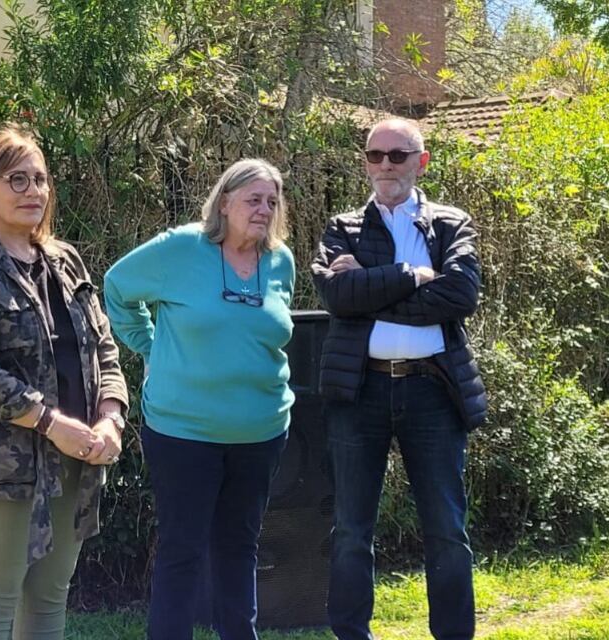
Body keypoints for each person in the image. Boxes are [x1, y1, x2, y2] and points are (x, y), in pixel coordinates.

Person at [0, 125, 129, 640]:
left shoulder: (64, 260)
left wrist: (111, 417)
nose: (33, 191)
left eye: (40, 179)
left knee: (48, 601)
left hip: (76, 456)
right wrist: (51, 423)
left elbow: (104, 348)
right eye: (16, 180)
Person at [104, 159, 295, 640]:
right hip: (183, 433)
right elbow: (117, 287)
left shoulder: (281, 261)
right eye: (253, 200)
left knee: (240, 548)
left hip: (260, 433)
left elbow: (268, 332)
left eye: (272, 202)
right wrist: (151, 347)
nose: (264, 210)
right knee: (182, 550)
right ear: (224, 202)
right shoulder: (181, 249)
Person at [311, 118, 487, 640]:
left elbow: (460, 296)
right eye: (375, 155)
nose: (384, 165)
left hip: (432, 390)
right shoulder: (343, 228)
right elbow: (338, 297)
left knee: (446, 529)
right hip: (359, 391)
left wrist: (369, 291)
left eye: (397, 155)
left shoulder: (450, 223)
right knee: (351, 530)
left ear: (421, 162)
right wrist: (412, 276)